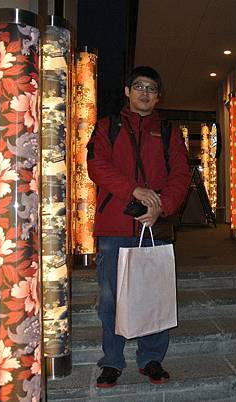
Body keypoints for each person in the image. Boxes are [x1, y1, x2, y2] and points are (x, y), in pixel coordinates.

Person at [87, 66, 190, 388]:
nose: (145, 93)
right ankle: (112, 361)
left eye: (151, 88)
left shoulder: (170, 131)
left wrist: (161, 207)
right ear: (128, 91)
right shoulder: (107, 127)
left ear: (158, 97)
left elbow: (181, 174)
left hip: (154, 226)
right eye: (139, 87)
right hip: (115, 226)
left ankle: (152, 359)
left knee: (155, 294)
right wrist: (134, 190)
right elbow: (96, 166)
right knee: (110, 299)